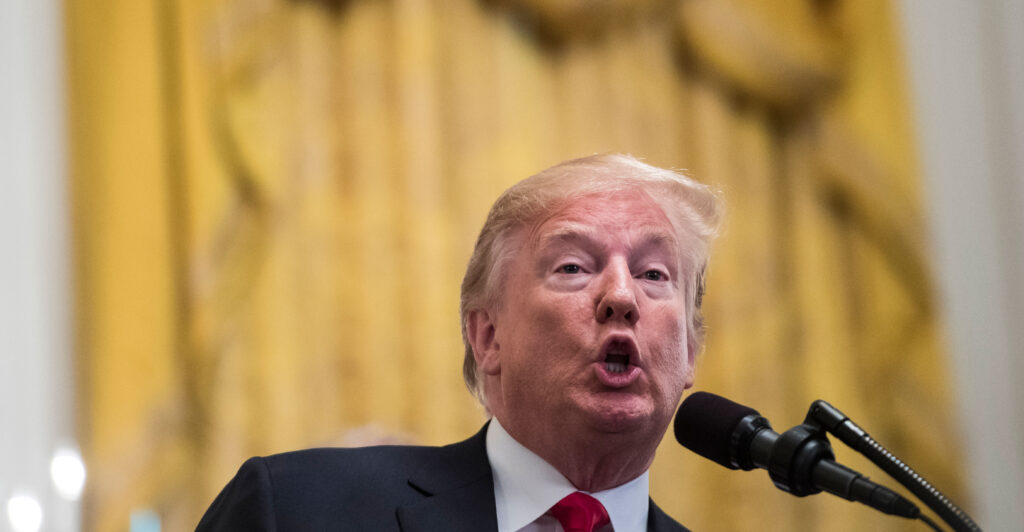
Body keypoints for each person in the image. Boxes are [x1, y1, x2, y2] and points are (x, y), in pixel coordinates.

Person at [196, 154, 723, 532]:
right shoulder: (296, 508)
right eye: (572, 267)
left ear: (690, 350)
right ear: (488, 336)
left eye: (654, 274)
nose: (622, 296)